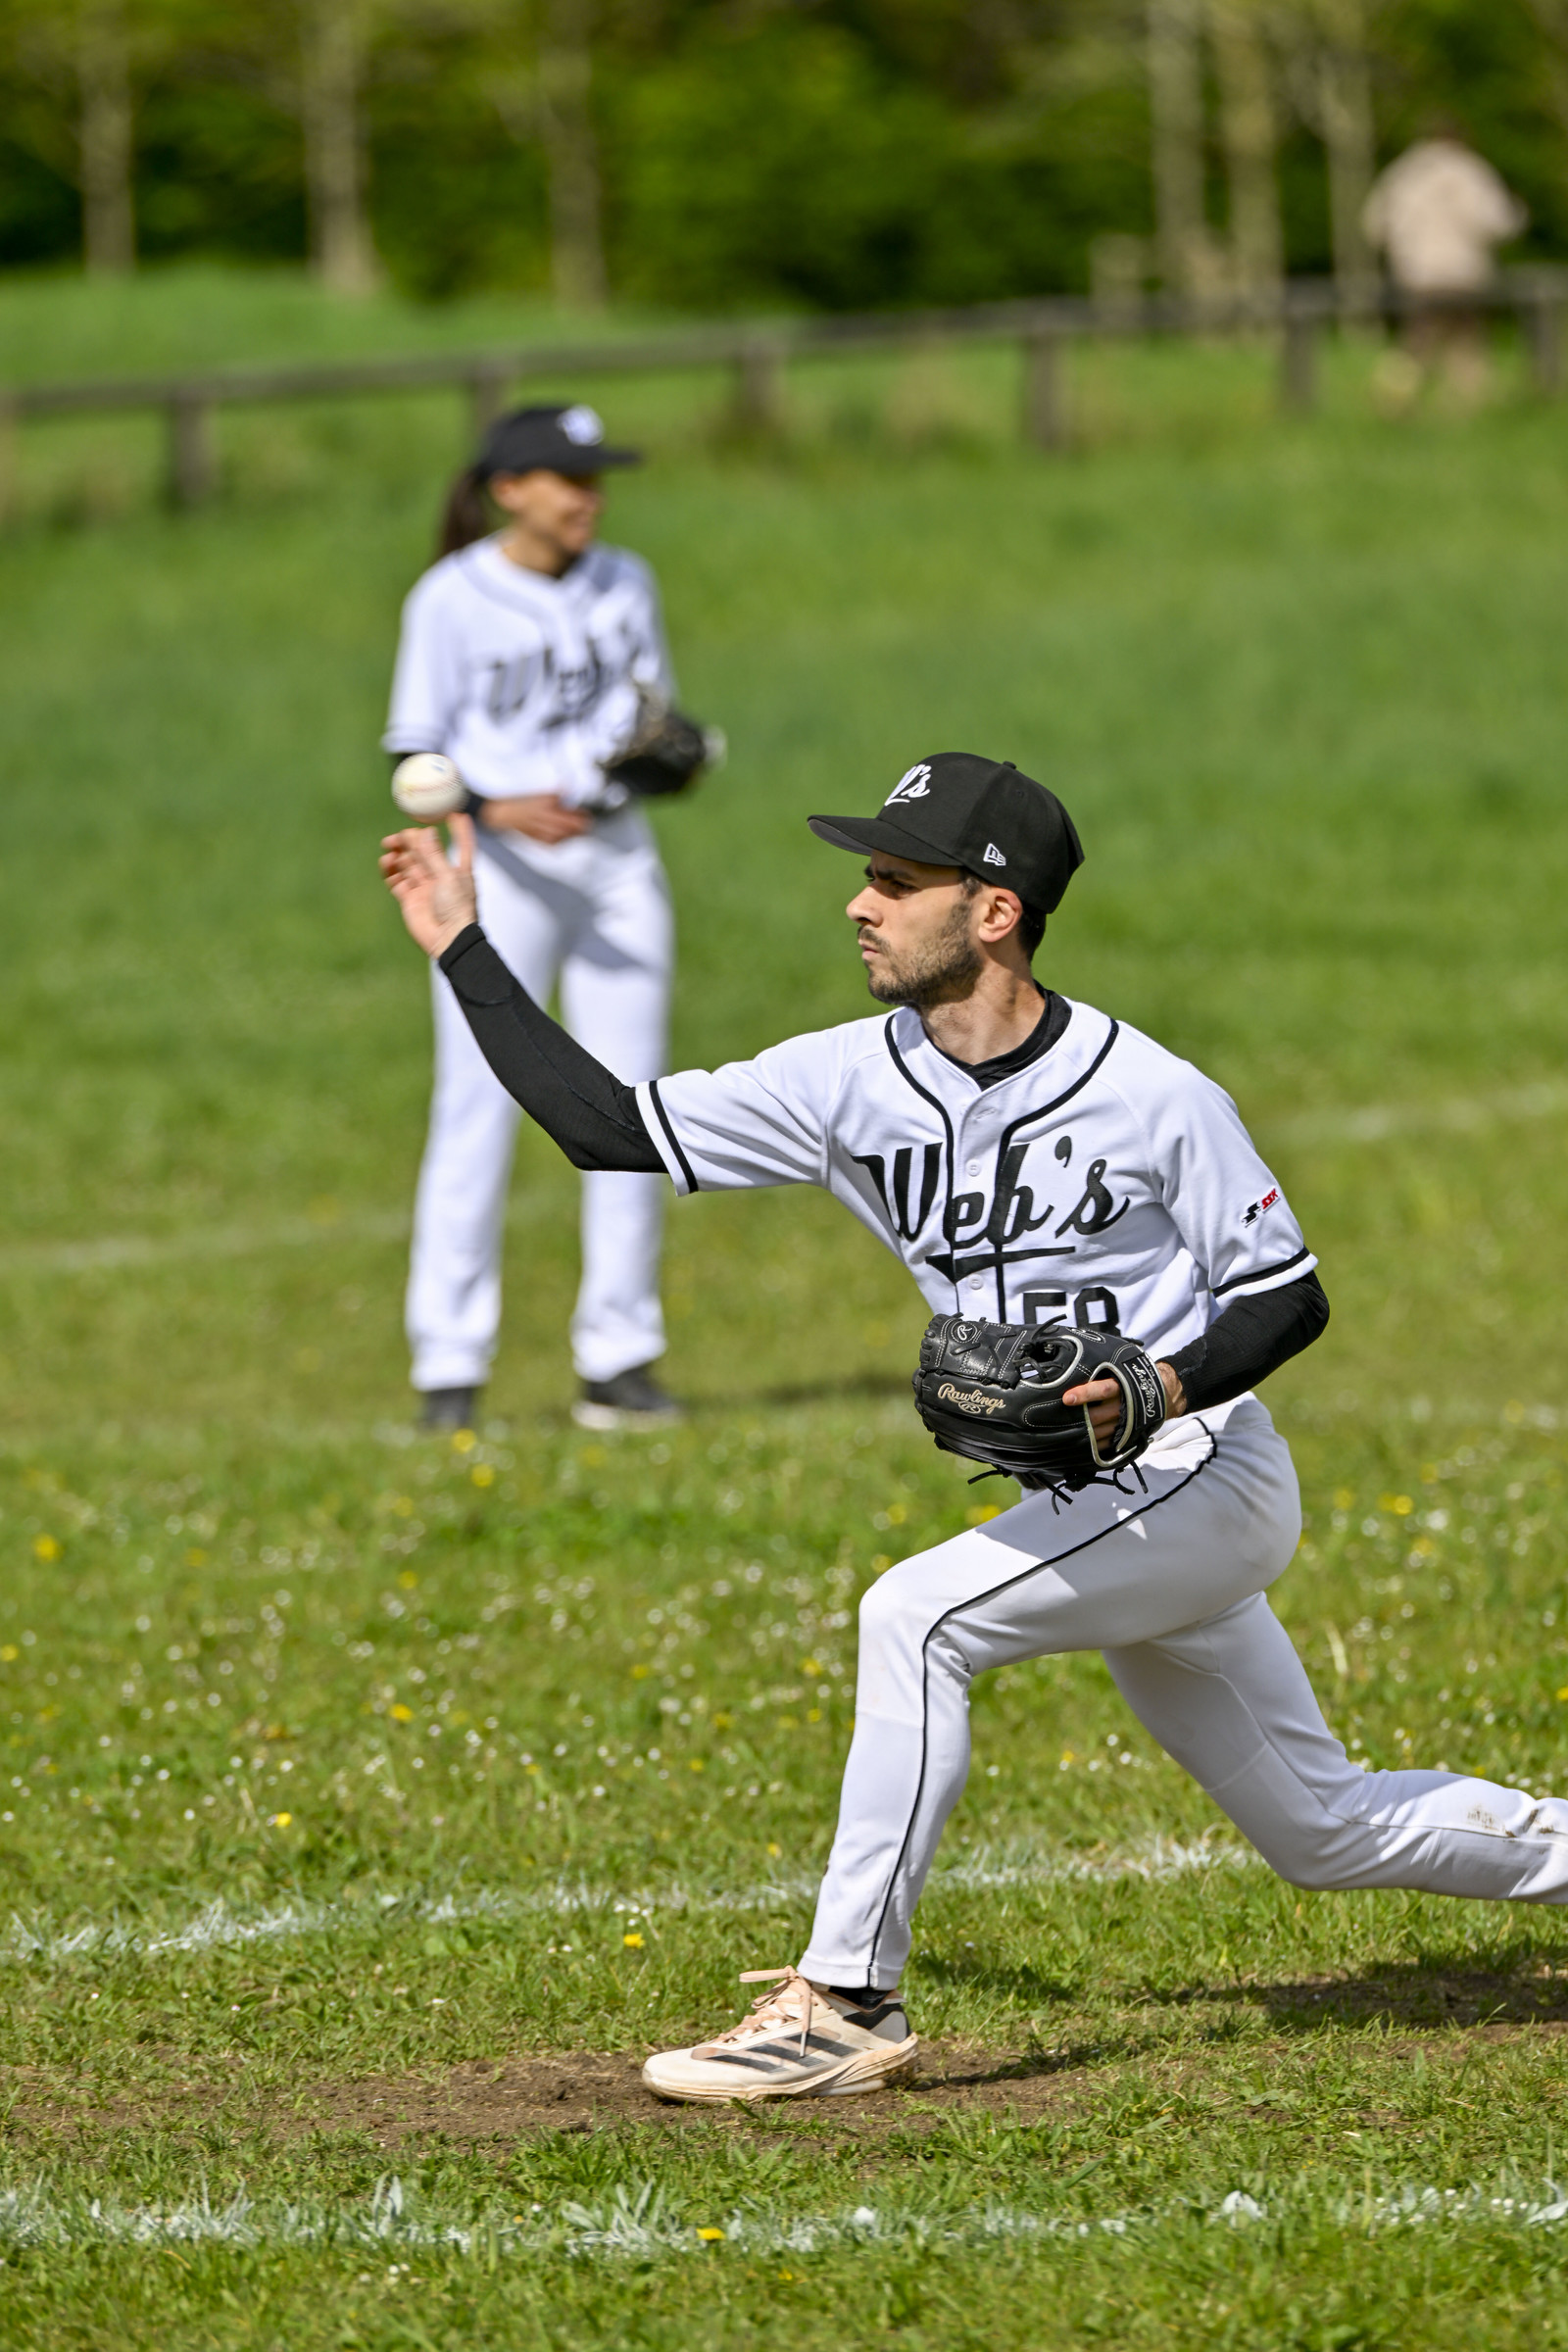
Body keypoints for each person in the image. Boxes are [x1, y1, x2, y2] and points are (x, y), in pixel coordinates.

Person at [380, 752, 1568, 2104]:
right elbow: (605, 1129)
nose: (859, 905)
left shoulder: (1154, 1093)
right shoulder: (848, 1079)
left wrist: (1155, 1388)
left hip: (1201, 1477)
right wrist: (464, 945)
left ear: (993, 911)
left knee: (916, 1616)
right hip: (1094, 1513)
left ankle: (844, 2004)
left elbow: (1286, 1298)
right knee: (1322, 1828)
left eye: (896, 879)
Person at [383, 401, 684, 1433]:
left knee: (633, 1106)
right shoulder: (451, 598)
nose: (588, 495)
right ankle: (449, 1368)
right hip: (497, 874)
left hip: (615, 863)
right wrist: (492, 803)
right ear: (509, 487)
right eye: (568, 476)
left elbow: (653, 721)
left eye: (596, 476)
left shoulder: (625, 581)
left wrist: (668, 757)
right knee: (478, 1105)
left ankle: (620, 1357)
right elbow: (413, 756)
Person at [1362, 130, 1527, 404]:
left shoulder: (1403, 173)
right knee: (1465, 342)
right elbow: (1497, 221)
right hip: (1462, 274)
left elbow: (1374, 225)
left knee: (1417, 342)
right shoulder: (1469, 169)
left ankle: (1391, 398)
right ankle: (1462, 410)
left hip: (1416, 276)